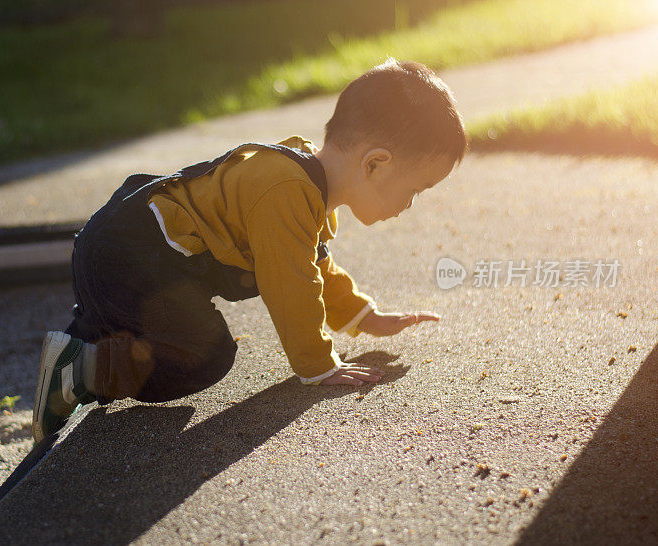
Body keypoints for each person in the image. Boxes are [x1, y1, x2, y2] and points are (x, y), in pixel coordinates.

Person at [32, 58, 468, 443]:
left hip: (122, 246)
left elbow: (313, 264)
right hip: (135, 250)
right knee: (205, 352)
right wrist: (319, 364)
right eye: (414, 190)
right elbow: (290, 282)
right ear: (374, 164)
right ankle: (82, 371)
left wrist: (363, 316)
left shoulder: (304, 184)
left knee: (130, 329)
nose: (409, 205)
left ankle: (72, 363)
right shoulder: (287, 190)